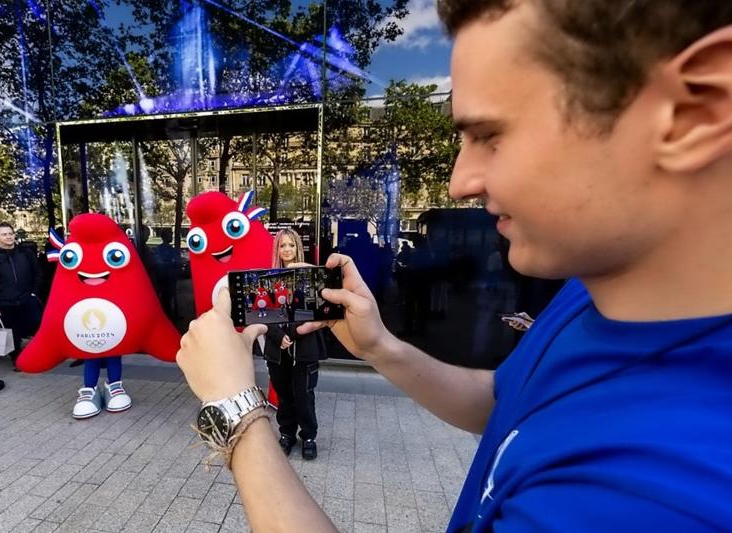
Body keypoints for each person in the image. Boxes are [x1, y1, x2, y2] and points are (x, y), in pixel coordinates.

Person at [176, 1, 732, 531]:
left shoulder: (670, 497)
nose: (459, 181)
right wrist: (381, 348)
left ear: (693, 110)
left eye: (490, 135)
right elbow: (506, 402)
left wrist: (237, 410)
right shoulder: (600, 292)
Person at [263, 229, 326, 460]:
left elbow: (319, 311)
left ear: (298, 247)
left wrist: (293, 333)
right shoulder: (268, 278)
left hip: (305, 347)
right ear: (277, 249)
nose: (287, 249)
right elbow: (261, 313)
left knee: (304, 395)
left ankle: (308, 436)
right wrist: (277, 335)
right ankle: (286, 434)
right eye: (282, 245)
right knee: (284, 396)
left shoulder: (311, 277)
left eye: (291, 245)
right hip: (277, 349)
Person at [0, 223, 43, 368]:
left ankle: (34, 353)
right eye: (4, 234)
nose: (8, 237)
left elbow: (38, 273)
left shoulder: (26, 253)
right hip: (5, 302)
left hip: (27, 299)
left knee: (36, 325)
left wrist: (34, 293)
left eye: (10, 233)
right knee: (12, 333)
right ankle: (17, 360)